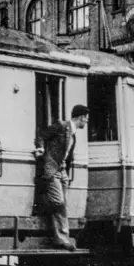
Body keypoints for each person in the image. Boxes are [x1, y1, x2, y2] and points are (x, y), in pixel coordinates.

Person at [33, 104, 90, 251]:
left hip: (62, 171)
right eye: (86, 118)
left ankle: (62, 237)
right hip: (52, 169)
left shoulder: (73, 134)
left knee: (62, 204)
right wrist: (40, 148)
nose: (87, 121)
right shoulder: (61, 125)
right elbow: (41, 135)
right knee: (58, 202)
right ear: (81, 117)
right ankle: (62, 239)